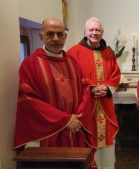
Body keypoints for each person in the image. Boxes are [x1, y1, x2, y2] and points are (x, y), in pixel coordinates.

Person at [13, 18, 93, 151]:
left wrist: (77, 118)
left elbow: (85, 91)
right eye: (50, 34)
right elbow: (29, 100)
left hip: (75, 127)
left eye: (60, 34)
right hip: (48, 131)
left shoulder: (73, 62)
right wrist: (65, 120)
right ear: (41, 36)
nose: (56, 38)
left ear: (65, 37)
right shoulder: (30, 64)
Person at [67, 17, 120, 169]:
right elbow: (70, 80)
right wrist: (89, 89)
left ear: (102, 32)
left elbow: (115, 74)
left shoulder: (109, 53)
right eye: (91, 30)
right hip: (86, 107)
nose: (95, 33)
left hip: (105, 106)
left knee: (107, 146)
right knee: (87, 141)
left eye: (98, 30)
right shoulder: (73, 52)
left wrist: (107, 88)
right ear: (85, 32)